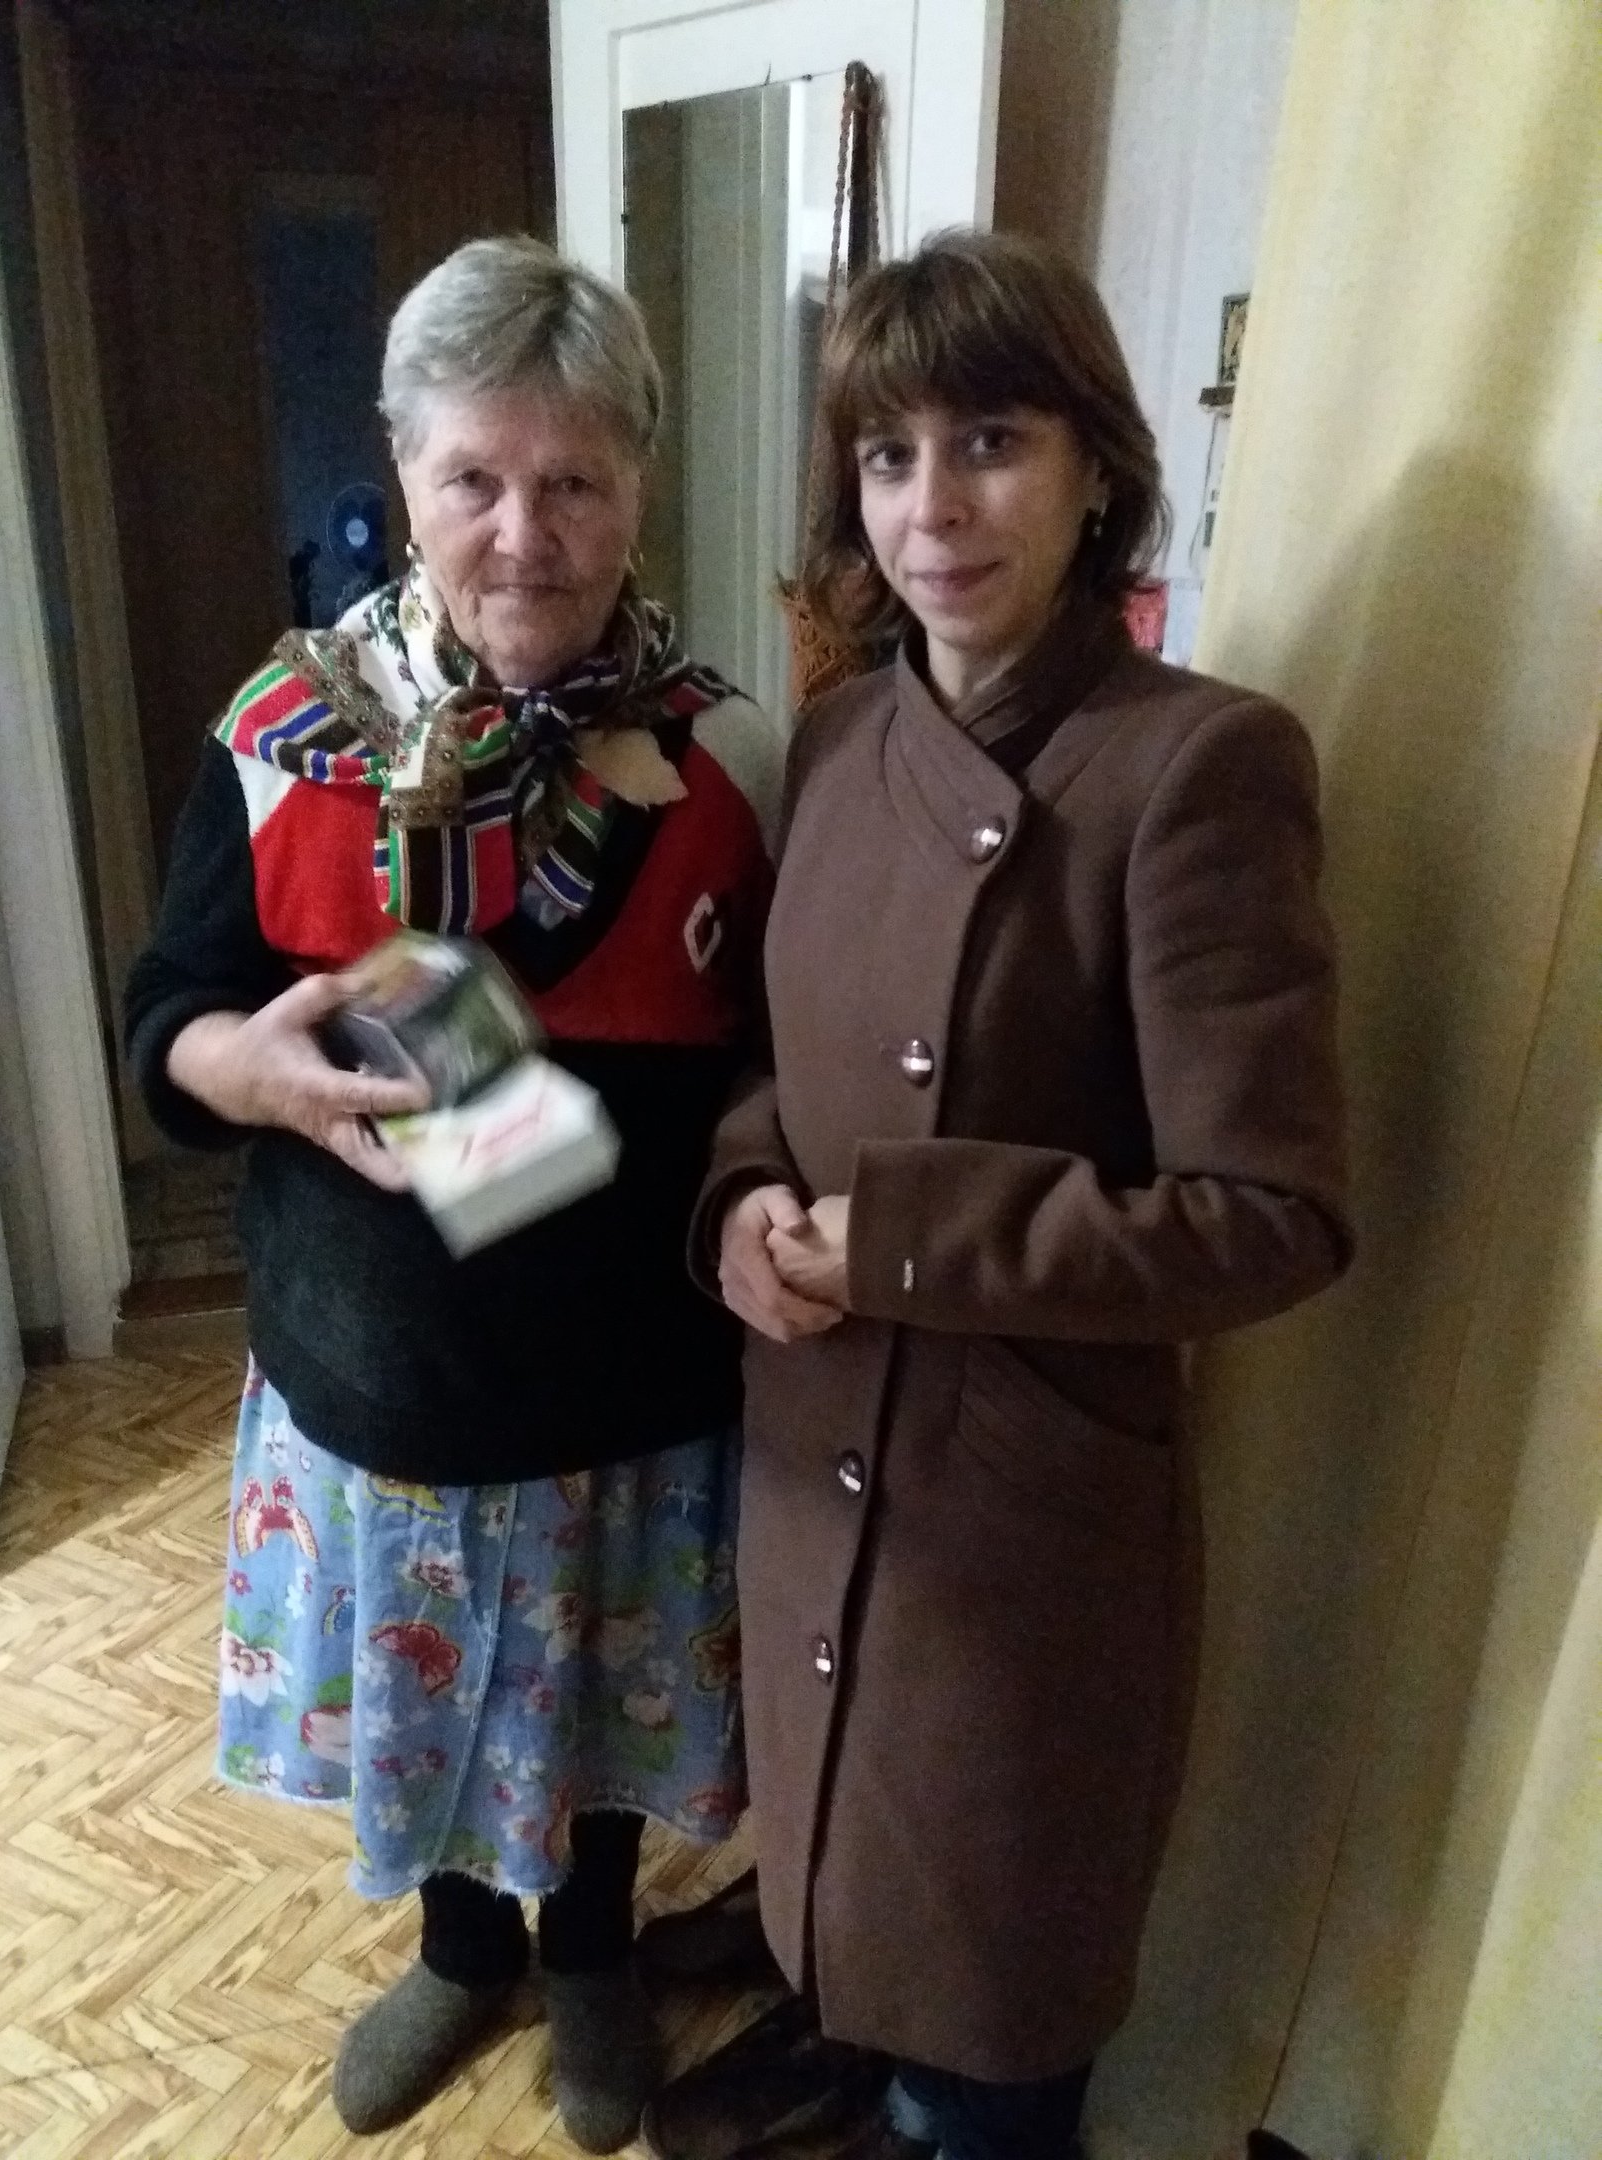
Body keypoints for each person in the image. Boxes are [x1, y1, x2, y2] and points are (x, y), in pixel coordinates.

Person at [694, 230, 1353, 2160]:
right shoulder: (839, 737)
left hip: (1018, 1522)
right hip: (810, 1445)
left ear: (1094, 471)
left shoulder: (1199, 764)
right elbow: (785, 1075)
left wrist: (906, 1234)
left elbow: (1271, 1213)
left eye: (990, 441)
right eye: (888, 456)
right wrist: (737, 1207)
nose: (934, 508)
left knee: (996, 2011)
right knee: (839, 1896)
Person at [126, 235, 781, 2147]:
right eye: (473, 475)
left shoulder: (734, 756)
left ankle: (590, 1957)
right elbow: (169, 1009)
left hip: (634, 1402)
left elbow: (780, 1058)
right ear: (402, 469)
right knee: (437, 1716)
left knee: (597, 1718)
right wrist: (234, 1068)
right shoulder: (279, 741)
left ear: (640, 482)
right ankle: (460, 1950)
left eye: (573, 479)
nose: (522, 532)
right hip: (384, 1395)